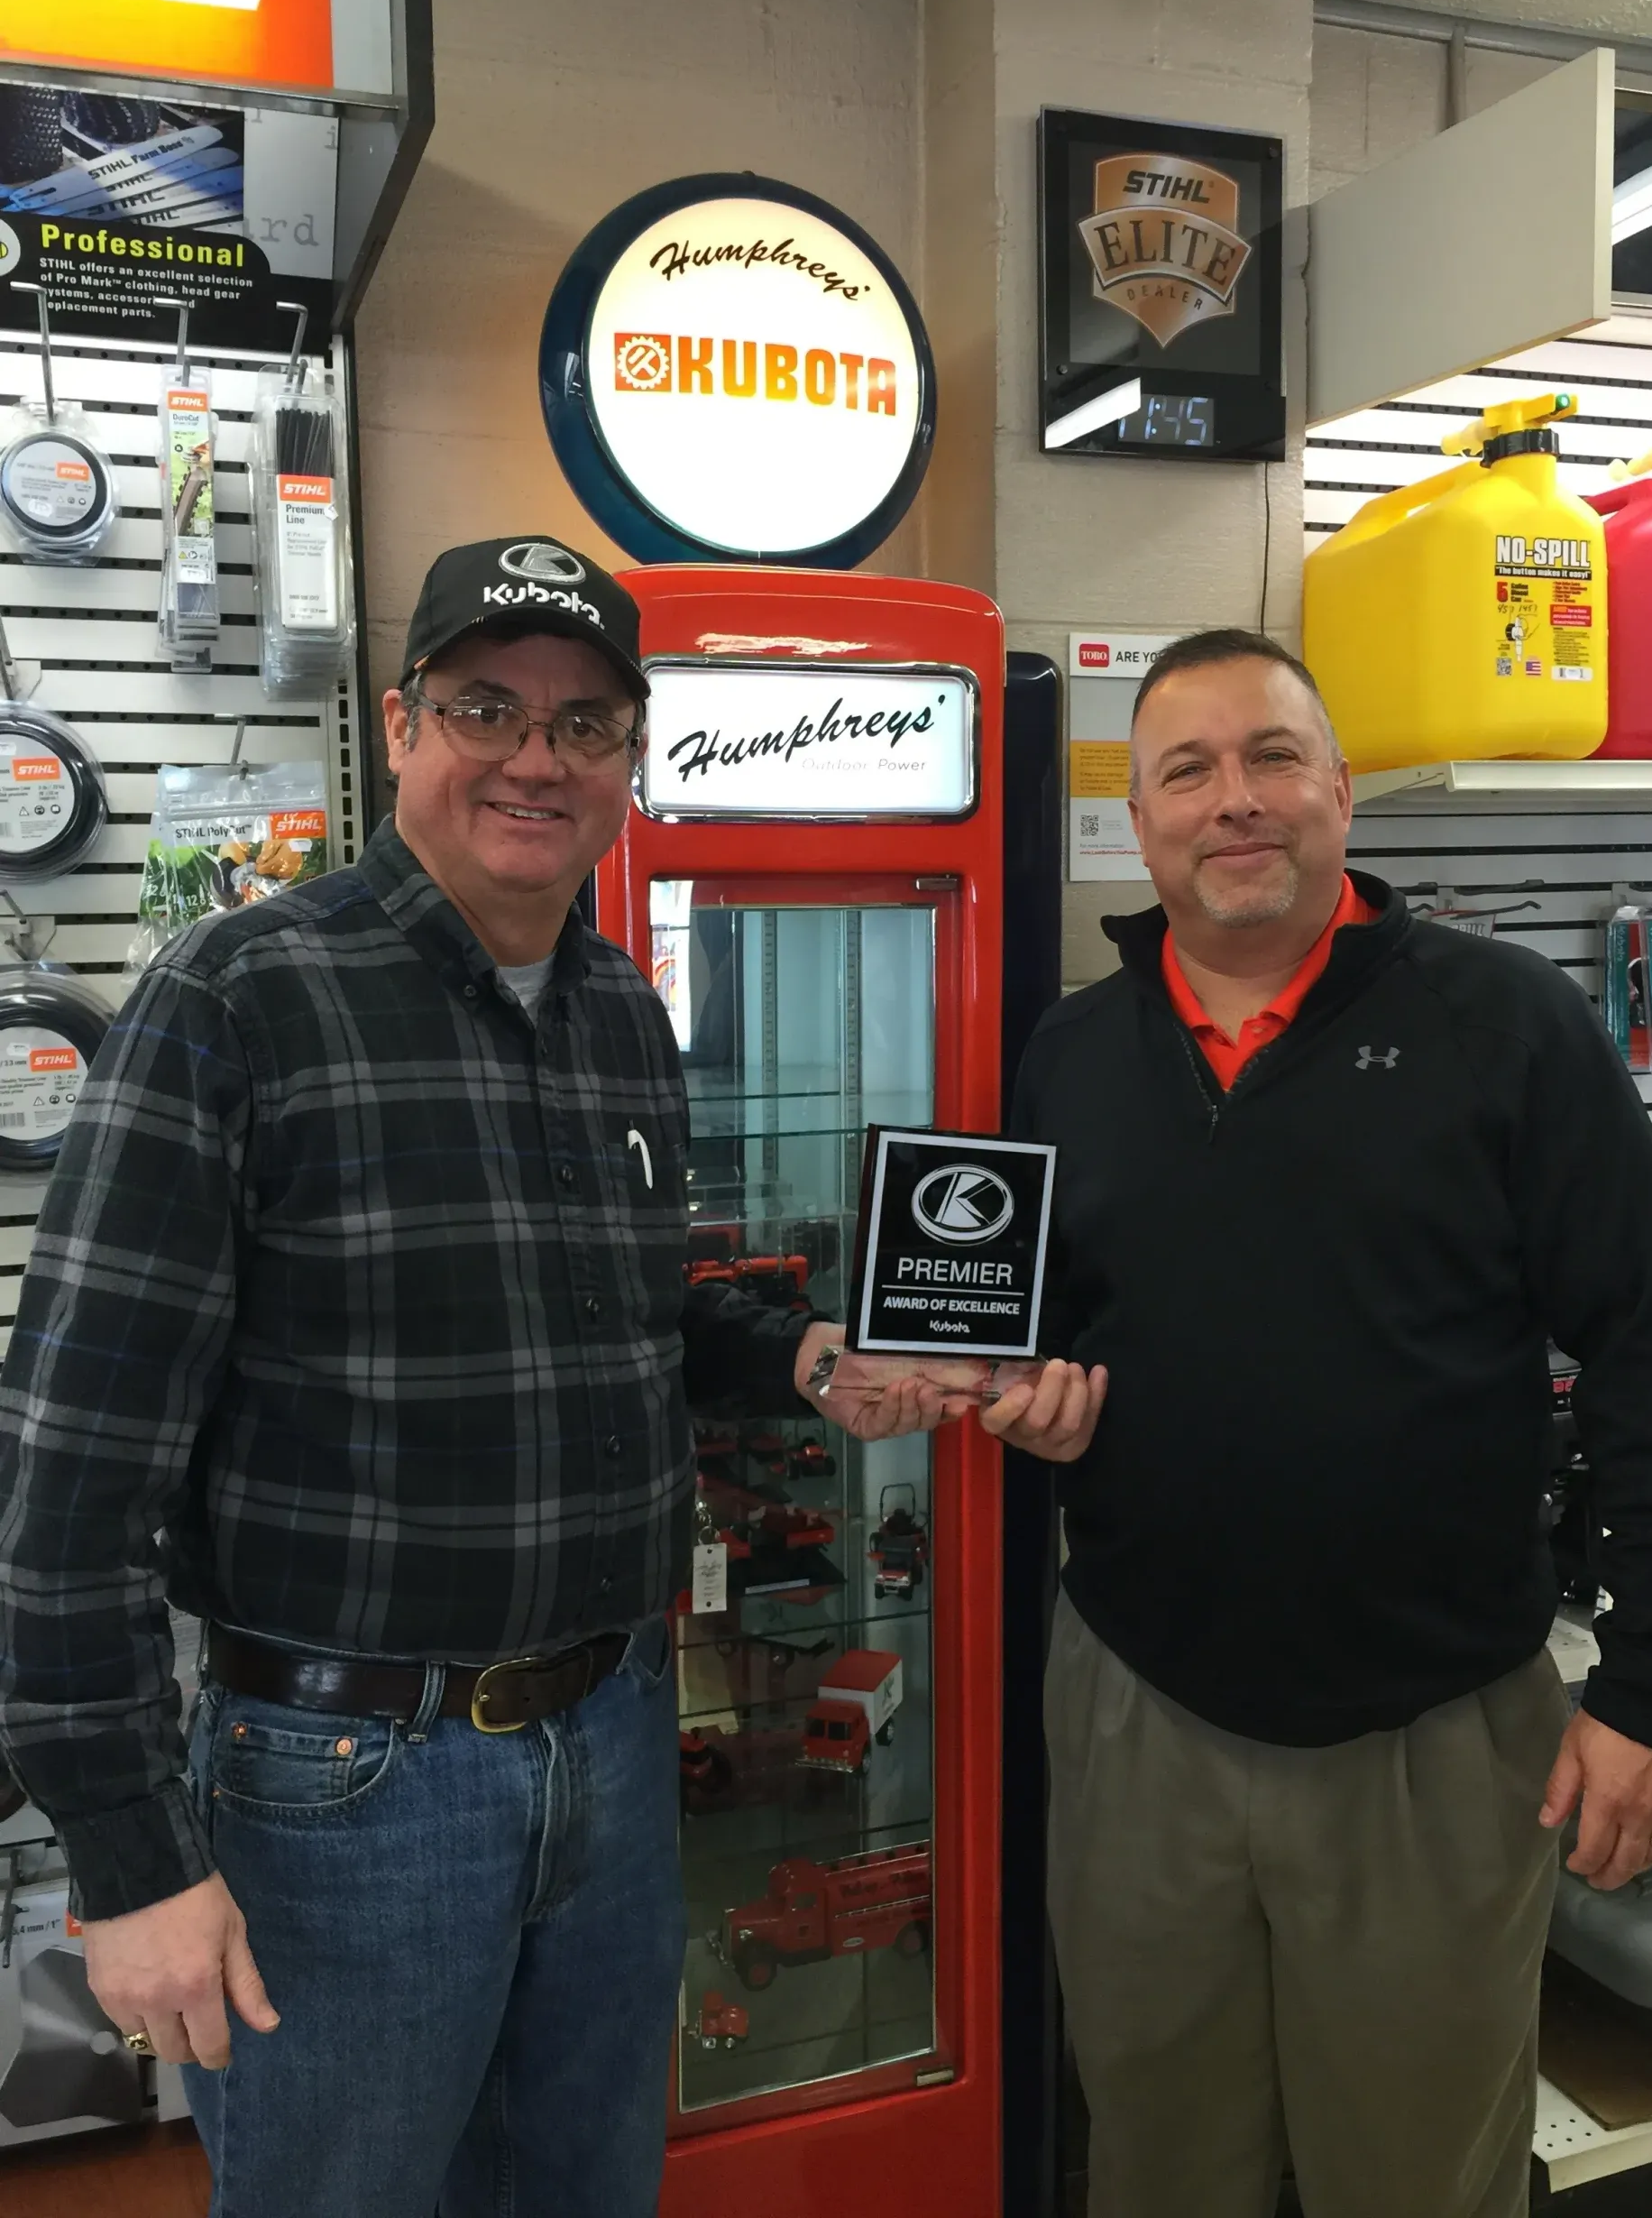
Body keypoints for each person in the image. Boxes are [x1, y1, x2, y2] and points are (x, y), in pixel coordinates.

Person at [0, 536, 970, 2218]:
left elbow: (618, 1315)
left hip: (614, 1737)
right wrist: (127, 1857)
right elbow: (66, 1473)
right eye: (487, 708)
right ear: (400, 727)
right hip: (344, 1786)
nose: (538, 757)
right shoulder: (239, 998)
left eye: (587, 723)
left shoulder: (616, 1012)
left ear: (631, 755)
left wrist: (799, 1352)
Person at [986, 627, 1652, 2218]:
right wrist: (1021, 1402)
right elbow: (1031, 1336)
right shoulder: (1066, 1055)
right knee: (1159, 2162)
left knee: (1418, 2179)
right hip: (1137, 1712)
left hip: (1440, 1732)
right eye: (1187, 768)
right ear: (1140, 815)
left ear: (1340, 790)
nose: (1234, 800)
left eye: (1272, 759)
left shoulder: (1511, 1026)